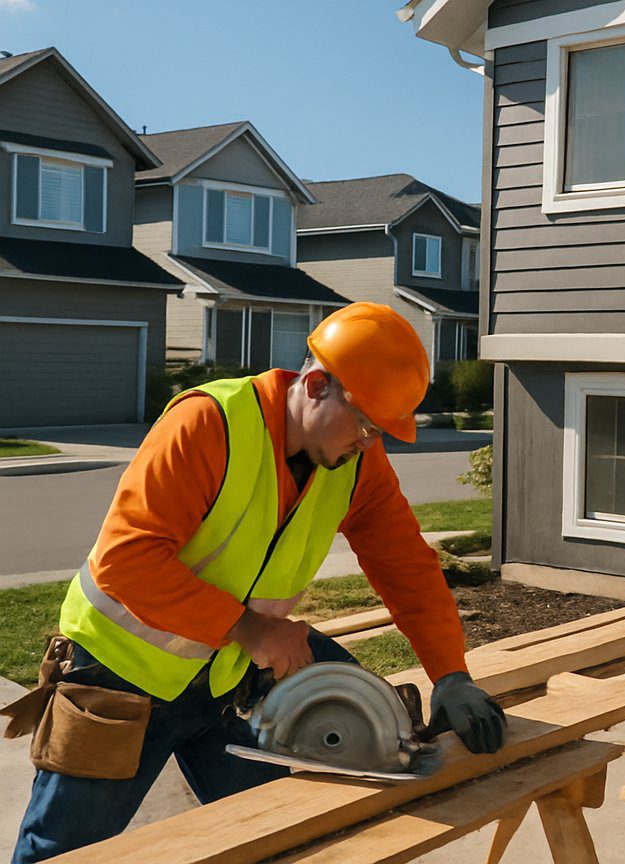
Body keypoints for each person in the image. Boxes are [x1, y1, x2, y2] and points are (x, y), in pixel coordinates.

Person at [9, 303, 506, 863]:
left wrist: (451, 674)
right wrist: (250, 628)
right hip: (118, 679)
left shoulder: (357, 463)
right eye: (366, 423)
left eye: (379, 432)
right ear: (316, 384)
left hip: (226, 683)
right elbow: (128, 560)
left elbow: (407, 567)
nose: (369, 443)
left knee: (273, 839)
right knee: (62, 853)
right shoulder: (208, 423)